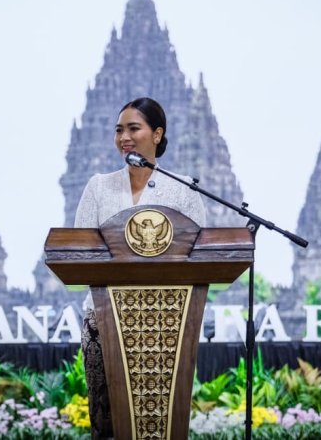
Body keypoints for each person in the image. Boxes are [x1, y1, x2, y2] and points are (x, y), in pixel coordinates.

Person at [74, 97, 206, 439]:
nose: (124, 137)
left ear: (157, 134)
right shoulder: (99, 186)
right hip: (102, 322)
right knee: (107, 425)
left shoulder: (183, 190)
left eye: (134, 128)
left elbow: (200, 255)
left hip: (165, 325)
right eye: (119, 130)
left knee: (158, 425)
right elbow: (78, 252)